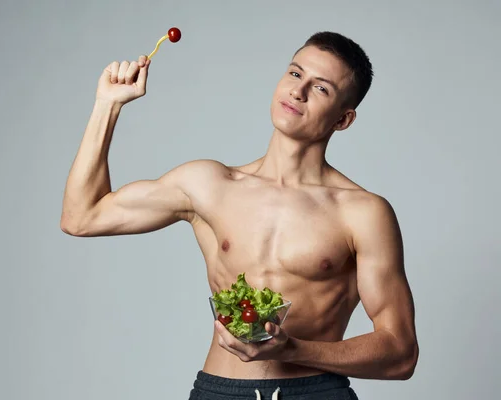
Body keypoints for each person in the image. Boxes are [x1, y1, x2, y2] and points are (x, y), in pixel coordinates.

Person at [60, 31, 419, 400]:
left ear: (343, 120)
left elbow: (401, 352)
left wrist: (294, 350)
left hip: (314, 392)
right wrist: (107, 106)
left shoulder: (363, 213)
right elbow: (82, 217)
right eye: (295, 74)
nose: (298, 91)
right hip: (220, 391)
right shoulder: (210, 184)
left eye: (321, 88)